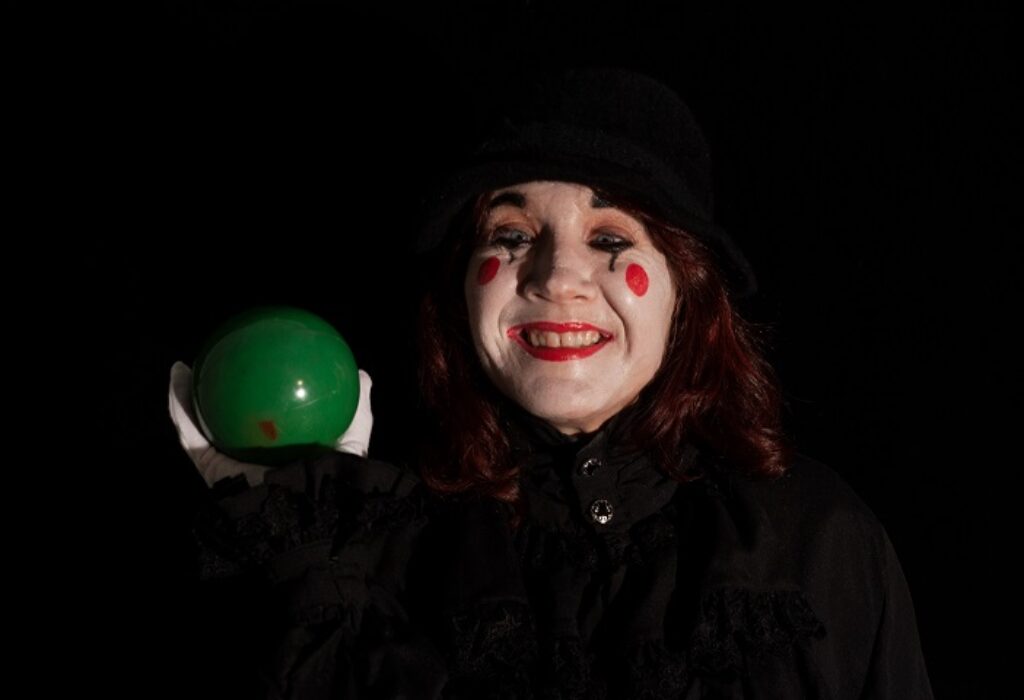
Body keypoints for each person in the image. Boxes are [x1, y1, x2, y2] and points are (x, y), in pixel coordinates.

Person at [169, 67, 934, 698]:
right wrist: (307, 559)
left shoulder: (822, 542)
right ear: (463, 286)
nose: (558, 278)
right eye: (511, 234)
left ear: (687, 289)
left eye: (610, 238)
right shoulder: (377, 550)